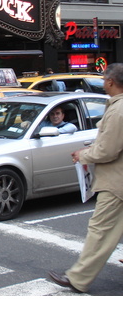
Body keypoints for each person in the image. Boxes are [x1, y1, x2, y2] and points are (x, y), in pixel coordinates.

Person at [48, 63, 123, 293]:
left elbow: (108, 151)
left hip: (116, 181)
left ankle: (79, 278)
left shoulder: (119, 110)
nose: (103, 83)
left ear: (110, 82)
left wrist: (84, 155)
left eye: (104, 79)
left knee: (100, 229)